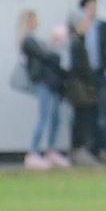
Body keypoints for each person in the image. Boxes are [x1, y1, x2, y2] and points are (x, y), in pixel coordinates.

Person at [18, 10, 70, 170]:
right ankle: (33, 152)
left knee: (55, 117)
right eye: (34, 19)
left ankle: (51, 150)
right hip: (43, 83)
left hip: (52, 83)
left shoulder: (36, 40)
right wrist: (54, 50)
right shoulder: (28, 41)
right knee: (44, 117)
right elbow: (44, 56)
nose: (37, 22)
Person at [79, 0, 106, 160]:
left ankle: (103, 149)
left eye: (94, 7)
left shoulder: (103, 27)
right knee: (87, 113)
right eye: (89, 8)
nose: (92, 11)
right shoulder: (79, 28)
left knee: (102, 113)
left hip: (100, 73)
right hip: (85, 77)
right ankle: (87, 148)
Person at [67, 8, 101, 166]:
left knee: (83, 118)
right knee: (81, 118)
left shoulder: (79, 41)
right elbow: (79, 67)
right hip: (80, 88)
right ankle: (79, 150)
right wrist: (91, 80)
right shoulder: (76, 43)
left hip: (82, 87)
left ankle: (80, 149)